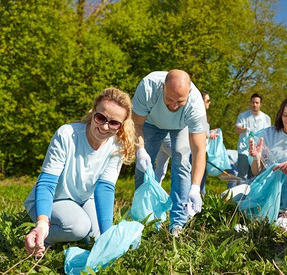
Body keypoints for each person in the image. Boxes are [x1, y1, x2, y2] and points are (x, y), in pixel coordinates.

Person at [24, 87, 135, 257]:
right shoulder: (67, 135)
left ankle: (67, 232)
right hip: (52, 200)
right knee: (79, 227)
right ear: (93, 112)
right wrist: (42, 222)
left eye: (113, 123)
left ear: (121, 125)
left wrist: (107, 237)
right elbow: (47, 183)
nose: (105, 127)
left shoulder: (117, 146)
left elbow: (104, 189)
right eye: (101, 117)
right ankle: (40, 237)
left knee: (98, 237)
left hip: (83, 200)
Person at [132, 70, 207, 235]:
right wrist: (140, 151)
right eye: (169, 99)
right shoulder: (148, 87)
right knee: (143, 167)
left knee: (182, 162)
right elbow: (136, 123)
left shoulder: (196, 105)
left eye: (179, 101)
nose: (173, 106)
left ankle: (178, 223)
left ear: (190, 92)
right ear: (162, 87)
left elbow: (199, 149)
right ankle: (144, 218)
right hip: (150, 123)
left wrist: (195, 187)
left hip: (180, 126)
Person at [226, 96, 287, 230]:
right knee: (226, 198)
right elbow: (257, 172)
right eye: (285, 115)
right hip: (265, 185)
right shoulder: (267, 133)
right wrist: (256, 158)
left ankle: (282, 213)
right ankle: (254, 216)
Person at [234, 93, 271, 183]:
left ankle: (251, 195)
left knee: (255, 175)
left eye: (257, 103)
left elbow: (268, 134)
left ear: (260, 104)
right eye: (253, 102)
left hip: (258, 151)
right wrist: (246, 129)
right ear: (250, 103)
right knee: (242, 175)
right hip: (244, 150)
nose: (254, 105)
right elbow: (237, 129)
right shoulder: (243, 116)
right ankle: (239, 195)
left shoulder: (266, 118)